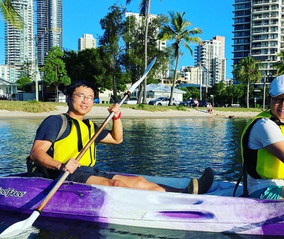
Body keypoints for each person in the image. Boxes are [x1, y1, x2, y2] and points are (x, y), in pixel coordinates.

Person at [28, 80, 213, 194]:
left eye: (90, 97)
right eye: (80, 96)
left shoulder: (89, 126)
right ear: (69, 97)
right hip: (62, 174)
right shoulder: (55, 122)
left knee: (139, 181)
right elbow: (36, 153)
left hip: (89, 171)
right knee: (116, 184)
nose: (85, 101)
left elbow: (117, 139)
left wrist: (116, 118)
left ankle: (185, 194)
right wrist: (61, 165)